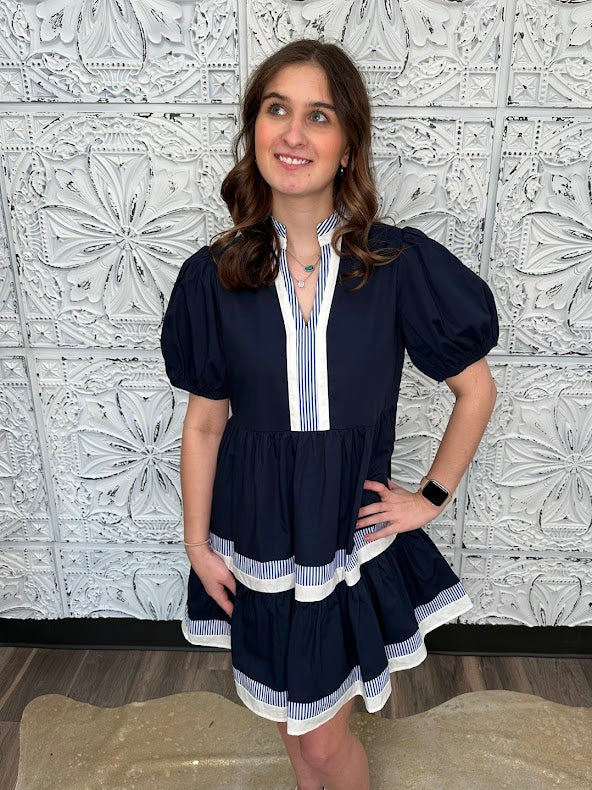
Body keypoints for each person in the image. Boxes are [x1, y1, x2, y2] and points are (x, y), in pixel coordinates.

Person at [160, 37, 499, 790]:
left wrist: (429, 499)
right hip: (258, 539)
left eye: (319, 116)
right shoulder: (215, 276)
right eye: (278, 110)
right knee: (295, 720)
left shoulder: (395, 267)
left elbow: (476, 389)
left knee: (317, 738)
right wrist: (196, 543)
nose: (294, 133)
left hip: (346, 538)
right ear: (255, 131)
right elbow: (206, 423)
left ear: (347, 144)